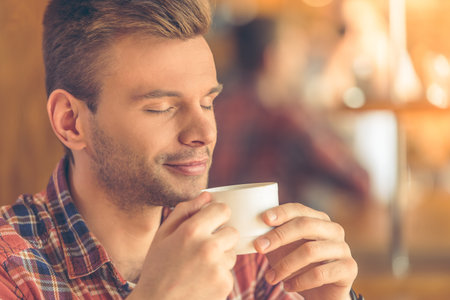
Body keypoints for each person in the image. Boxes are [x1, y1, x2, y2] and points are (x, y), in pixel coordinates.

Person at [0, 1, 363, 299]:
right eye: (162, 108)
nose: (204, 133)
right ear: (70, 122)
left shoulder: (244, 252)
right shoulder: (11, 269)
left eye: (208, 103)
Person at [209, 18, 370, 208]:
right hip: (272, 232)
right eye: (296, 51)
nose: (303, 60)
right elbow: (359, 181)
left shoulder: (213, 108)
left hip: (213, 230)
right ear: (272, 57)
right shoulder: (288, 116)